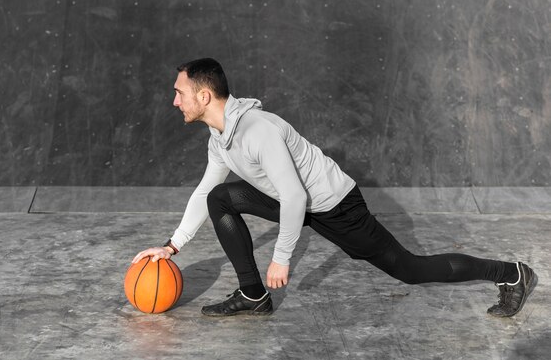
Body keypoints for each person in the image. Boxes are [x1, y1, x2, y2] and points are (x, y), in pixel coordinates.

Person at [132, 57, 537, 318]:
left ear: (204, 95)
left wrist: (282, 258)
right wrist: (172, 245)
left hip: (335, 205)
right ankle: (253, 296)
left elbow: (296, 196)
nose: (175, 101)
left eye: (179, 93)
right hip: (294, 201)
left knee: (411, 270)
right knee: (221, 196)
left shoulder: (258, 130)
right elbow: (206, 192)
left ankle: (510, 273)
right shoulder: (220, 138)